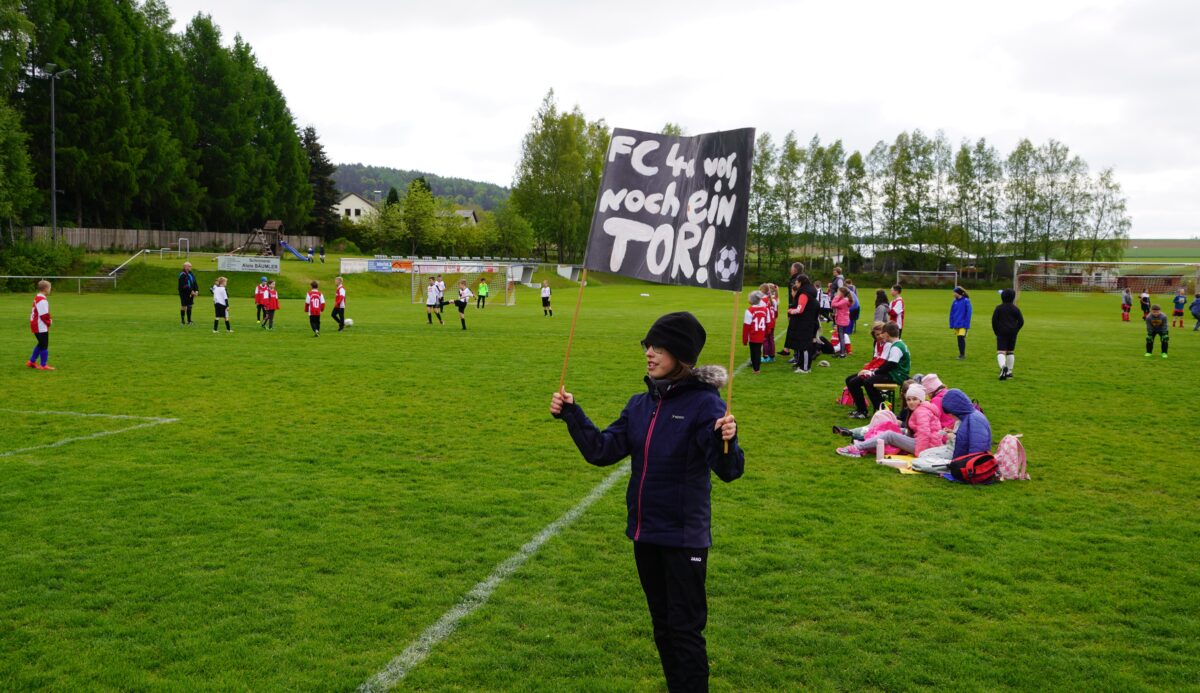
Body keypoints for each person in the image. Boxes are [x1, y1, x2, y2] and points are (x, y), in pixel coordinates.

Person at [549, 311, 743, 693]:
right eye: (647, 346)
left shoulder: (706, 405)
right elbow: (601, 451)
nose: (649, 353)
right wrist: (572, 414)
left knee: (685, 632)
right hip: (646, 532)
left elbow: (729, 470)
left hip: (684, 538)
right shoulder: (640, 404)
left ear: (681, 354)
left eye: (658, 347)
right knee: (663, 628)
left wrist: (729, 439)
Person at [836, 383, 945, 458]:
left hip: (926, 447)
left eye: (914, 399)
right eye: (908, 399)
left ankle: (857, 447)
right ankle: (861, 441)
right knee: (892, 430)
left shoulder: (921, 412)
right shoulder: (920, 409)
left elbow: (924, 433)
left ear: (921, 399)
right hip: (926, 443)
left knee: (889, 435)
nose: (911, 402)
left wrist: (920, 453)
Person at [844, 322, 909, 419]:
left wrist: (872, 372)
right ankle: (869, 410)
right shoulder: (897, 344)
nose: (880, 336)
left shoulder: (896, 347)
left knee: (867, 382)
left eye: (882, 333)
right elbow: (886, 364)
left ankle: (881, 410)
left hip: (896, 376)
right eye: (877, 334)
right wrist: (869, 371)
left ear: (886, 334)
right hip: (893, 374)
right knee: (857, 381)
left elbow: (890, 365)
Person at [786, 274, 820, 373]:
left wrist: (791, 311)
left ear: (801, 282)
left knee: (804, 345)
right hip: (808, 321)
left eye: (796, 282)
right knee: (801, 345)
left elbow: (800, 309)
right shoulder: (811, 291)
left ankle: (805, 368)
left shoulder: (803, 294)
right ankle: (801, 365)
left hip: (804, 322)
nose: (796, 283)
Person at [992, 288, 1024, 380]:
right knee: (1010, 352)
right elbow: (1021, 321)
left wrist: (996, 331)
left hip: (1001, 331)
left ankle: (1003, 367)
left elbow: (994, 321)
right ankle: (1009, 372)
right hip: (1012, 332)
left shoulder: (998, 308)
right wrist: (1016, 330)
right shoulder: (1016, 309)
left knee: (1001, 351)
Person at [26, 280, 55, 370]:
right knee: (44, 345)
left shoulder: (38, 297)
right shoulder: (42, 300)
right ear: (46, 289)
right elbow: (44, 315)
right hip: (40, 325)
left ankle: (31, 362)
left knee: (41, 344)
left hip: (37, 324)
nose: (50, 289)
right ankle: (43, 365)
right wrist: (49, 322)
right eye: (50, 288)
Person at [779, 262, 805, 358]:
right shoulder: (797, 278)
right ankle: (788, 349)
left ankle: (796, 355)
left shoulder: (797, 280)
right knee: (792, 328)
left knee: (794, 329)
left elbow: (797, 294)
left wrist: (793, 305)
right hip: (793, 306)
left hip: (795, 307)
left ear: (795, 270)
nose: (790, 269)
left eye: (791, 268)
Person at [742, 290, 769, 373]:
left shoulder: (749, 310)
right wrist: (767, 333)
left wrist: (745, 339)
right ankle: (756, 368)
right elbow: (768, 322)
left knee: (754, 352)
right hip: (761, 334)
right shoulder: (765, 309)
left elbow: (746, 326)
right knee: (757, 351)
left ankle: (756, 369)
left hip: (753, 335)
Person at [949, 287, 972, 360]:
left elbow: (969, 313)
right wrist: (951, 323)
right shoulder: (954, 302)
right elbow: (951, 313)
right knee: (959, 339)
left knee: (960, 338)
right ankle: (961, 354)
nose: (953, 294)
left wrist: (966, 324)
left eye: (954, 292)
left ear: (958, 293)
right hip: (956, 324)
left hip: (963, 324)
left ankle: (962, 355)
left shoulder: (966, 301)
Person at [830, 287, 851, 358]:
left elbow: (833, 304)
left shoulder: (844, 300)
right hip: (844, 320)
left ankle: (842, 354)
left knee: (841, 337)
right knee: (841, 336)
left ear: (842, 293)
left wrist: (836, 297)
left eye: (838, 292)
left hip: (842, 321)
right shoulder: (845, 299)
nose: (837, 293)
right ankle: (842, 351)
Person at [844, 278, 859, 355]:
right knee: (851, 319)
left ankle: (848, 331)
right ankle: (849, 330)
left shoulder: (848, 293)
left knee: (849, 319)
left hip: (853, 308)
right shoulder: (851, 292)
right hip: (856, 307)